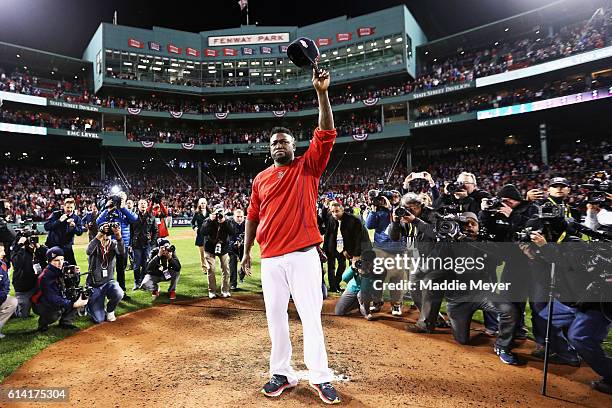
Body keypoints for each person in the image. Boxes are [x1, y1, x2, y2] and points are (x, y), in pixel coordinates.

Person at [242, 68, 341, 404]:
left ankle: (320, 376)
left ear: (294, 146)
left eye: (283, 141)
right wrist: (245, 254)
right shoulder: (260, 179)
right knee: (275, 319)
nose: (278, 145)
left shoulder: (308, 166)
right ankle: (282, 373)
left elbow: (326, 132)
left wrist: (322, 93)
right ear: (268, 149)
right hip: (270, 259)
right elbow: (252, 217)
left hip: (302, 255)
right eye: (273, 142)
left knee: (311, 317)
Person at [31, 247, 89, 332]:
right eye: (56, 260)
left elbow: (73, 284)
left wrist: (76, 275)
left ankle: (66, 322)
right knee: (55, 312)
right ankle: (43, 323)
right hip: (41, 302)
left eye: (62, 259)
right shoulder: (45, 276)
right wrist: (72, 304)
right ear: (49, 261)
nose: (60, 263)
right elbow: (52, 298)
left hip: (57, 295)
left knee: (76, 293)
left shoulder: (65, 266)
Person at [97, 191, 137, 300]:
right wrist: (108, 209)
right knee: (108, 269)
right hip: (108, 244)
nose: (118, 201)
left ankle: (121, 292)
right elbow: (98, 221)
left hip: (122, 243)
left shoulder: (125, 211)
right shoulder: (107, 210)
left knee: (121, 269)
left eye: (121, 199)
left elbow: (134, 219)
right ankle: (106, 292)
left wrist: (123, 207)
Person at [85, 223, 125, 323]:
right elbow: (88, 251)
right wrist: (100, 233)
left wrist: (118, 235)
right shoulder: (95, 243)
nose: (106, 236)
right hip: (95, 284)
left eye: (108, 233)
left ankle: (110, 310)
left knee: (119, 293)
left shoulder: (114, 243)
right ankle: (87, 305)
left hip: (109, 281)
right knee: (99, 319)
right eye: (104, 233)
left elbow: (121, 252)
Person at [202, 208, 234, 298]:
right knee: (211, 269)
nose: (218, 216)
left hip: (223, 248)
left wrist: (225, 222)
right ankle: (212, 291)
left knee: (226, 269)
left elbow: (232, 232)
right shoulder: (208, 220)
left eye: (220, 213)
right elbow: (203, 232)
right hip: (209, 248)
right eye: (217, 213)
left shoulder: (227, 220)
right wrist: (209, 221)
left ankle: (225, 290)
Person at [10, 235, 47, 317]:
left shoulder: (37, 251)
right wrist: (20, 245)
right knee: (23, 315)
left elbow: (50, 257)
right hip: (24, 288)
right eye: (30, 240)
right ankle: (10, 307)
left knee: (43, 310)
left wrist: (40, 248)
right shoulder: (18, 251)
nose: (32, 242)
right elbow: (16, 263)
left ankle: (33, 304)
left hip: (37, 286)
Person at [44, 197, 83, 266]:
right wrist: (59, 221)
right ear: (64, 206)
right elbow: (46, 226)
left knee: (72, 269)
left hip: (67, 248)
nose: (69, 209)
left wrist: (74, 227)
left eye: (71, 207)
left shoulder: (76, 218)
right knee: (53, 269)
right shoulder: (56, 214)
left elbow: (80, 232)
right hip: (53, 247)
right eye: (68, 207)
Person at [130, 199, 157, 291]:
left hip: (147, 244)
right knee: (136, 265)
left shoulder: (151, 216)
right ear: (138, 206)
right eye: (141, 204)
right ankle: (136, 282)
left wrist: (153, 242)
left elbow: (155, 230)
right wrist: (130, 244)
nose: (143, 205)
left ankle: (143, 282)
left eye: (144, 204)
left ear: (147, 205)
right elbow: (130, 231)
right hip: (136, 244)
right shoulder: (133, 216)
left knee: (146, 264)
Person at [0, 244, 18, 339]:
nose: (4, 253)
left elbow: (6, 285)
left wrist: (1, 298)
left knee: (12, 301)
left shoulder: (3, 265)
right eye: (1, 251)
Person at [191, 198, 211, 277]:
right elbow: (192, 222)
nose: (203, 205)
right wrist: (195, 227)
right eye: (201, 203)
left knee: (209, 253)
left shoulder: (210, 213)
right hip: (200, 235)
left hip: (209, 236)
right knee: (202, 254)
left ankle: (210, 266)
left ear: (206, 204)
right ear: (199, 204)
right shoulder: (196, 213)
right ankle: (204, 268)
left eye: (204, 203)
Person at [228, 209, 246, 290]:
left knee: (245, 263)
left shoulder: (247, 223)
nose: (240, 218)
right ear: (234, 217)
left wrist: (242, 242)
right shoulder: (229, 223)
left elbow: (251, 236)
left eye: (241, 217)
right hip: (232, 248)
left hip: (244, 247)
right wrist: (233, 242)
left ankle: (241, 275)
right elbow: (226, 236)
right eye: (238, 217)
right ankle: (233, 284)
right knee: (232, 264)